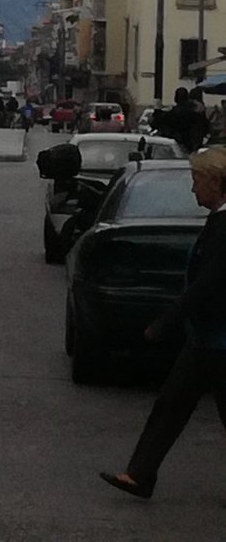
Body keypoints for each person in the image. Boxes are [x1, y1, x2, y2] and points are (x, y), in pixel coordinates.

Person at [100, 145, 226, 500]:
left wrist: (165, 322)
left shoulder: (225, 227)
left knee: (174, 406)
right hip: (206, 337)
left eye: (196, 179)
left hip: (218, 338)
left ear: (216, 182)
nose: (192, 188)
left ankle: (141, 474)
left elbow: (208, 283)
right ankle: (140, 474)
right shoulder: (218, 221)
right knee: (170, 405)